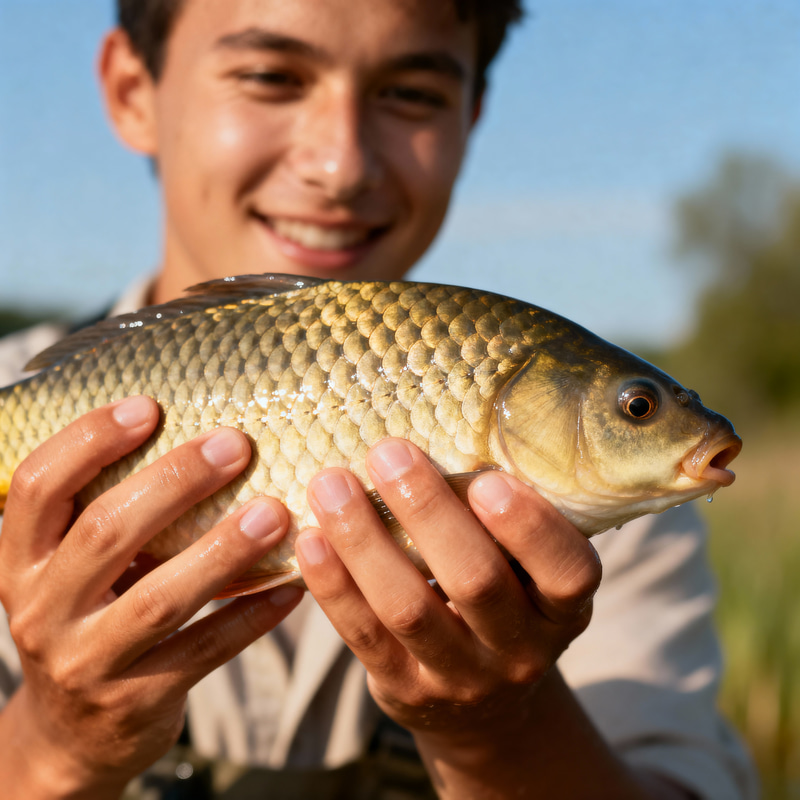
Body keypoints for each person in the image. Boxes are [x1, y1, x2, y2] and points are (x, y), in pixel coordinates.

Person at [0, 1, 757, 798]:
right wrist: (57, 745)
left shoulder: (613, 527)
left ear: (473, 116)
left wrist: (499, 729)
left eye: (412, 94)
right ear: (131, 91)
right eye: (270, 77)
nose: (341, 164)